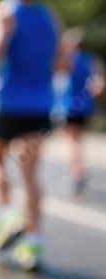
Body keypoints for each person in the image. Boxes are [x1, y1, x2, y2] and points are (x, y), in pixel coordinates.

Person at [0, 0, 61, 270]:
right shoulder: (50, 17)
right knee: (31, 174)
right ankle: (32, 244)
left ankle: (9, 214)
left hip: (10, 104)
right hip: (41, 105)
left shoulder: (3, 11)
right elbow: (61, 60)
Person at [61, 27, 105, 193]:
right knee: (79, 140)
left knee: (72, 141)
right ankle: (78, 170)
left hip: (70, 106)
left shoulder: (69, 60)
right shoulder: (93, 61)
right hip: (86, 107)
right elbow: (99, 85)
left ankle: (77, 172)